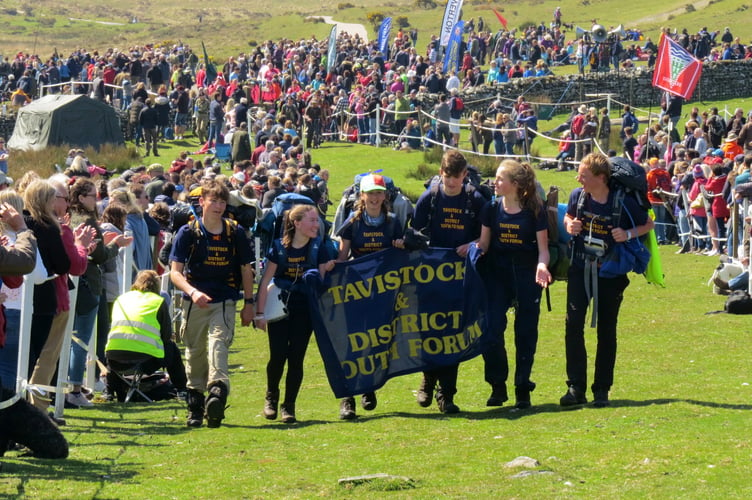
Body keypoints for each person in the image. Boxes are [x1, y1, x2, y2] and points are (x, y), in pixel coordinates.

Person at [561, 153, 653, 408]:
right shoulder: (577, 196)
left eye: (584, 175)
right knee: (573, 325)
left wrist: (628, 233)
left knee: (606, 329)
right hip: (580, 268)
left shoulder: (623, 202)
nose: (578, 178)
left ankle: (602, 388)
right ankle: (575, 387)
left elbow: (649, 224)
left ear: (601, 178)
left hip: (610, 274)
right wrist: (569, 225)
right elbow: (568, 216)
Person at [169, 180, 254, 428]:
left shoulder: (235, 232)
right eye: (213, 201)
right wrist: (193, 292)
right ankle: (195, 406)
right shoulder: (188, 232)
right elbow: (175, 272)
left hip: (225, 300)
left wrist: (249, 303)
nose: (218, 206)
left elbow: (246, 269)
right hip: (195, 302)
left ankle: (216, 393)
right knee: (194, 351)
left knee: (218, 344)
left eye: (222, 201)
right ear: (202, 202)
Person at [411, 150, 486, 413]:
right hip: (429, 279)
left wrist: (472, 244)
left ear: (465, 175)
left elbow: (486, 235)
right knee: (428, 332)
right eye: (447, 176)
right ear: (440, 172)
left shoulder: (475, 200)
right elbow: (414, 233)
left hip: (460, 279)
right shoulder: (429, 199)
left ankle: (447, 395)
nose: (452, 182)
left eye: (457, 177)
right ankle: (427, 381)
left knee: (454, 334)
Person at [477, 160, 551, 409]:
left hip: (526, 276)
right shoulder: (490, 208)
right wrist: (473, 248)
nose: (494, 182)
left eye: (499, 178)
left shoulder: (535, 211)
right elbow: (484, 244)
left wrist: (542, 266)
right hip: (497, 275)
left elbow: (543, 250)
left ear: (515, 184)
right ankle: (498, 386)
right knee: (492, 327)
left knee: (526, 332)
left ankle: (522, 387)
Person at [255, 204, 335, 424]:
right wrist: (260, 314)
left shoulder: (320, 247)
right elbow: (264, 283)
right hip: (280, 305)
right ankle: (271, 397)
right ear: (296, 223)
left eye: (317, 220)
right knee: (278, 355)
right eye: (311, 220)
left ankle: (289, 406)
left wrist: (326, 269)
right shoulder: (279, 247)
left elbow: (319, 283)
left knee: (296, 357)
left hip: (305, 308)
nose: (316, 225)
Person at [335, 174, 405, 420]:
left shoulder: (393, 221)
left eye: (379, 193)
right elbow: (342, 257)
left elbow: (402, 253)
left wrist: (401, 245)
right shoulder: (352, 223)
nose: (375, 198)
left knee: (376, 341)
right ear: (361, 196)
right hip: (355, 290)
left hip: (383, 291)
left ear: (385, 196)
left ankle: (369, 386)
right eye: (370, 193)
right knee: (352, 342)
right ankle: (347, 398)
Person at [105, 270, 187, 402]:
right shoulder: (158, 301)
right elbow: (166, 336)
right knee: (172, 348)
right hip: (144, 361)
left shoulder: (120, 299)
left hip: (114, 361)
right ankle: (181, 389)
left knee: (117, 347)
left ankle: (109, 391)